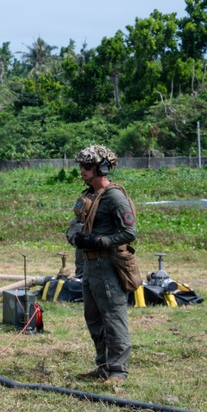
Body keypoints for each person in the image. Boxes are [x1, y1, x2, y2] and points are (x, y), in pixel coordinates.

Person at [70, 145, 136, 385]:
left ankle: (118, 371)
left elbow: (130, 232)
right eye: (81, 166)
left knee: (113, 317)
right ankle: (104, 365)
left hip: (107, 265)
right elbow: (76, 221)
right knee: (94, 318)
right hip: (89, 267)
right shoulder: (89, 195)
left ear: (103, 168)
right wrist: (74, 234)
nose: (83, 171)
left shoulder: (114, 196)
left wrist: (100, 240)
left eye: (87, 166)